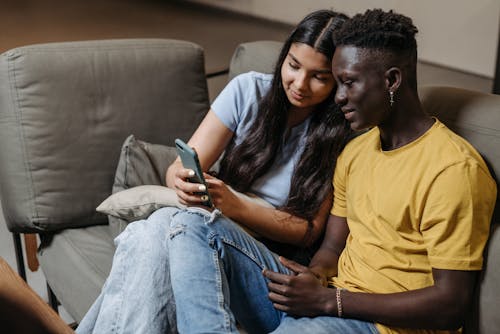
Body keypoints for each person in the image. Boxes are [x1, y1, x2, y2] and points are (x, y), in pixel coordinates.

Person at [167, 8, 497, 334]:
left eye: (348, 83)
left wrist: (331, 302)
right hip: (322, 304)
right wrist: (315, 275)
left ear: (392, 80)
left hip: (378, 325)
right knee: (190, 225)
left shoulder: (454, 170)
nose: (338, 97)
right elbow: (331, 249)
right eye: (336, 82)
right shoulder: (355, 151)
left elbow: (450, 305)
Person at [76, 9, 352, 334]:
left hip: (267, 252)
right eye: (293, 66)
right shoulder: (248, 91)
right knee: (151, 233)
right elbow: (181, 165)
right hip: (212, 225)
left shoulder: (342, 131)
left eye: (319, 77)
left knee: (156, 228)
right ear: (283, 58)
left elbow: (308, 229)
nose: (300, 84)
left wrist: (235, 206)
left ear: (339, 79)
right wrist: (180, 179)